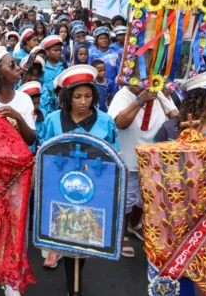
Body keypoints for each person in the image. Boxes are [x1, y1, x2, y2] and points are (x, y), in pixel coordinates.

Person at [153, 68, 206, 296]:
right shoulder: (171, 130)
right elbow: (153, 169)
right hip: (177, 210)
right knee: (181, 262)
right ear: (199, 99)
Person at [40, 64, 119, 296]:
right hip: (60, 189)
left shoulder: (105, 122)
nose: (83, 101)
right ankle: (71, 286)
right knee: (65, 234)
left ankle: (76, 280)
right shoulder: (53, 120)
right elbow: (43, 151)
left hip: (93, 191)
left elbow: (114, 155)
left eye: (88, 96)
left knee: (85, 237)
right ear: (67, 97)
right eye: (77, 96)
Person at [107, 76, 178, 257]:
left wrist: (161, 97)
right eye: (141, 81)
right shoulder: (123, 96)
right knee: (127, 199)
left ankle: (134, 224)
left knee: (145, 197)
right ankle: (120, 234)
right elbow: (119, 123)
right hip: (128, 156)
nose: (144, 84)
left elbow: (176, 119)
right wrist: (140, 100)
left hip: (153, 159)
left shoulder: (159, 95)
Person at [39, 35, 68, 115]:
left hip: (63, 105)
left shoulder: (66, 66)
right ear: (47, 52)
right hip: (45, 107)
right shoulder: (41, 67)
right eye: (55, 50)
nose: (59, 52)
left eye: (59, 50)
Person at [17, 81, 45, 154]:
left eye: (38, 103)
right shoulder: (19, 115)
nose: (36, 106)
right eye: (33, 103)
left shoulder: (43, 113)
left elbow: (44, 133)